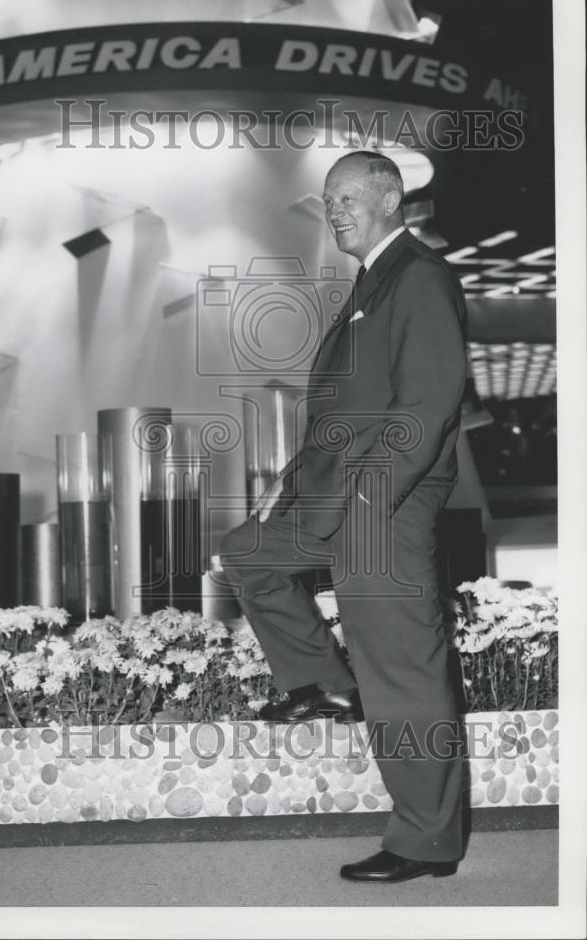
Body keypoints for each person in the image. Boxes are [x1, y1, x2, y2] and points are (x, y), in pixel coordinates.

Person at [219, 150, 468, 883]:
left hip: (384, 505)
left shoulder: (420, 276)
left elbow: (426, 406)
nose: (334, 211)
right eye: (329, 201)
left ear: (390, 199)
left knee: (402, 673)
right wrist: (288, 485)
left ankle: (426, 843)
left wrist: (367, 499)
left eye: (349, 197)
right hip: (336, 495)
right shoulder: (372, 282)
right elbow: (344, 411)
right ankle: (323, 684)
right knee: (250, 552)